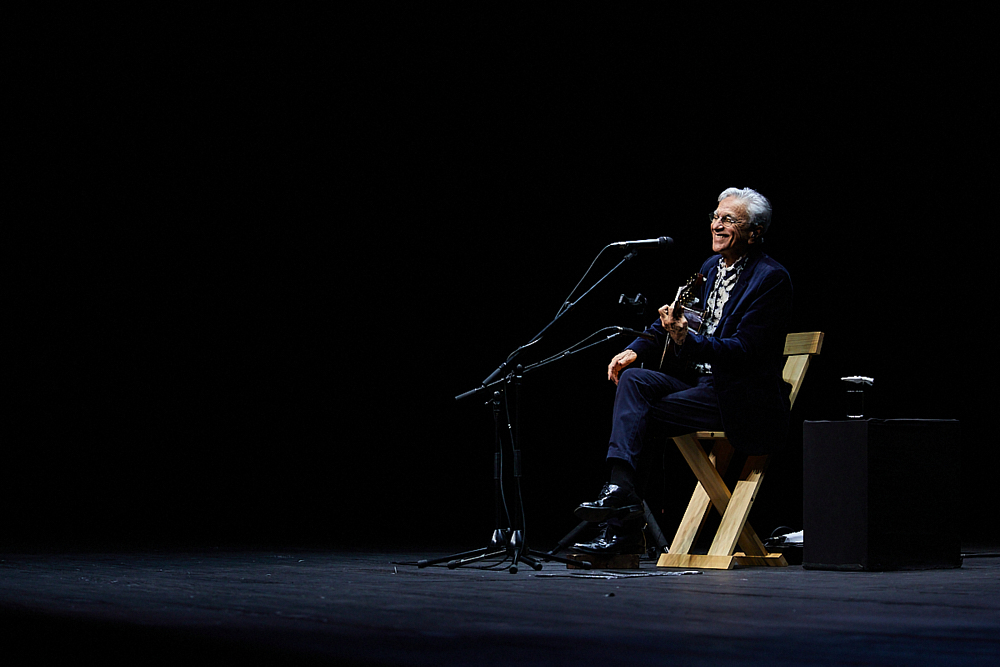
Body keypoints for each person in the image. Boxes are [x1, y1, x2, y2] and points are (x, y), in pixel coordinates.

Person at [572, 187, 793, 555]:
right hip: (703, 386)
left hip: (741, 395)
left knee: (639, 418)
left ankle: (621, 529)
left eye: (729, 220)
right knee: (635, 378)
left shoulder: (770, 279)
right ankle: (621, 498)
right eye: (715, 217)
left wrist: (688, 341)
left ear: (754, 233)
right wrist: (633, 350)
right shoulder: (709, 270)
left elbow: (745, 352)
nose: (717, 226)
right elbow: (673, 319)